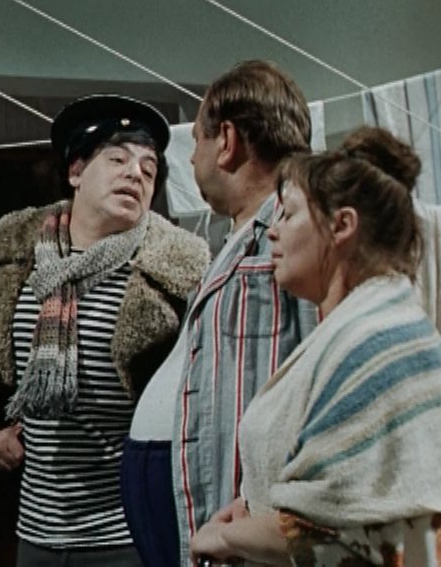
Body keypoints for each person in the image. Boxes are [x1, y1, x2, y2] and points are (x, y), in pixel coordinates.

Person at [0, 94, 210, 567]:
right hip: (30, 525)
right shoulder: (15, 267)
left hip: (125, 530)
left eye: (149, 170)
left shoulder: (170, 280)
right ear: (76, 171)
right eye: (118, 160)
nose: (135, 174)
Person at [190, 126, 441, 565]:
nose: (273, 233)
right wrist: (249, 507)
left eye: (288, 215)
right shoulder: (354, 331)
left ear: (341, 226)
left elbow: (331, 520)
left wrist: (229, 538)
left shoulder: (379, 341)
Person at [123, 60, 319, 565]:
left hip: (231, 511)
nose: (191, 160)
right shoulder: (238, 236)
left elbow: (321, 372)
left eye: (198, 142)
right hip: (194, 503)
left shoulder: (290, 230)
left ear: (227, 141)